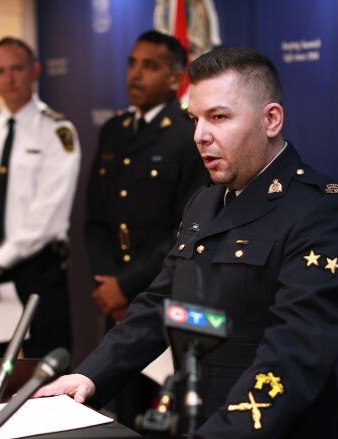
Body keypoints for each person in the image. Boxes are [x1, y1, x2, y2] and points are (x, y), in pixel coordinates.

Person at [36, 47, 338, 438]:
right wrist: (89, 376)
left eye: (219, 117)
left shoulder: (322, 214)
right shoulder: (205, 201)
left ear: (271, 120)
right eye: (194, 119)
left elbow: (291, 360)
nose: (199, 135)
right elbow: (161, 304)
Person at [84, 29, 209, 428]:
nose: (135, 75)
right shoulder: (115, 130)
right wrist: (108, 284)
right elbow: (95, 220)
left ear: (176, 79)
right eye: (132, 63)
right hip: (115, 300)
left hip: (163, 297)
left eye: (150, 66)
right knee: (120, 410)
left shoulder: (188, 133)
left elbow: (187, 228)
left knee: (159, 414)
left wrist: (127, 285)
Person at [0, 37, 80, 359]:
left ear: (35, 71)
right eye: (0, 71)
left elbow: (48, 211)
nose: (9, 78)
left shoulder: (57, 130)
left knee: (45, 373)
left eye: (17, 69)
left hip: (38, 269)